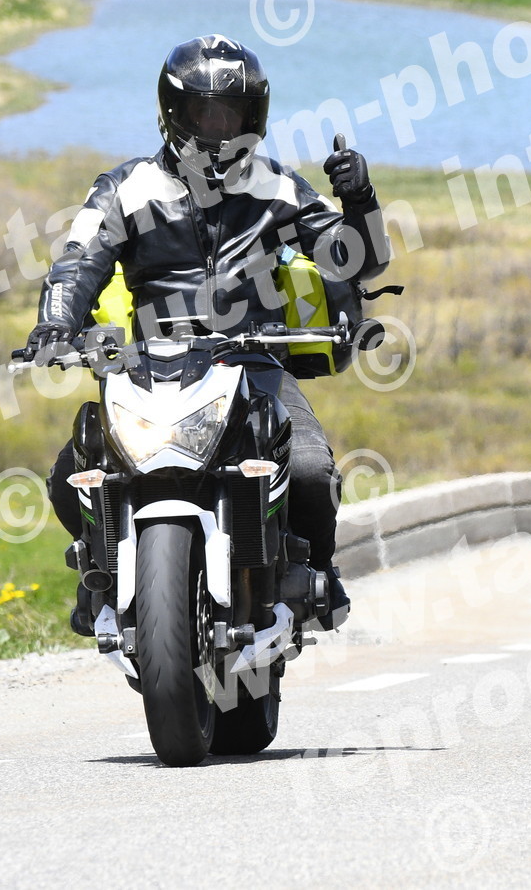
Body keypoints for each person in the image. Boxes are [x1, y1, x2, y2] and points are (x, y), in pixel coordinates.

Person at [21, 34, 391, 636]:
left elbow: (360, 261)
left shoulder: (278, 188)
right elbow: (78, 261)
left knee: (308, 471)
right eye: (205, 113)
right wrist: (56, 321)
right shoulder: (125, 188)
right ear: (174, 112)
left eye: (232, 114)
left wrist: (359, 200)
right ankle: (100, 574)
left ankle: (315, 575)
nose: (219, 128)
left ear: (255, 117)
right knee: (71, 478)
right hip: (148, 364)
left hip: (254, 360)